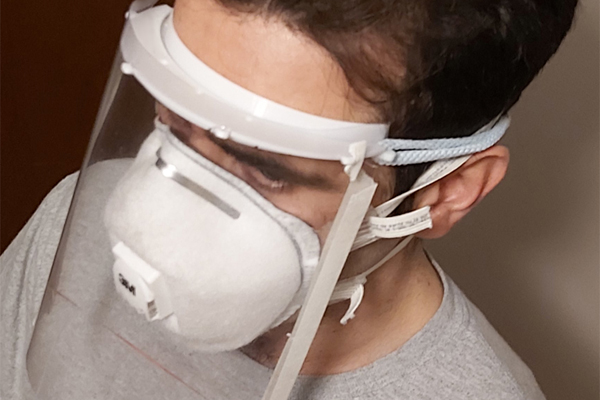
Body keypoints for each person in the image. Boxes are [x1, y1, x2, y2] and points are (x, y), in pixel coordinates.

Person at [1, 0, 578, 399]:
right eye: (174, 118)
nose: (156, 209)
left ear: (445, 193)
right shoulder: (78, 223)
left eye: (264, 170)